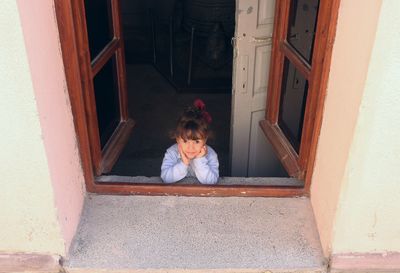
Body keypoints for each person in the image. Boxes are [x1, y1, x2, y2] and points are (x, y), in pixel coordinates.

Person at [161, 99, 219, 184]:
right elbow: (166, 178)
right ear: (177, 139)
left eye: (196, 142)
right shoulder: (172, 152)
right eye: (185, 141)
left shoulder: (210, 154)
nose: (190, 147)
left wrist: (200, 160)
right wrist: (184, 163)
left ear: (205, 139)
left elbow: (211, 182)